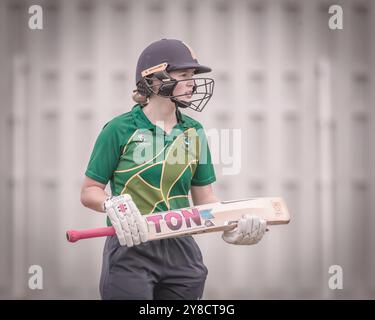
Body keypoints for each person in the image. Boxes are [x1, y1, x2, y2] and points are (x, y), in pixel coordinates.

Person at [80, 39, 267, 300]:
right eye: (184, 75)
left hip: (182, 252)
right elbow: (90, 191)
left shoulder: (194, 131)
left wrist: (231, 224)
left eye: (193, 75)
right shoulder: (119, 129)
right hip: (131, 248)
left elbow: (205, 200)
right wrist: (112, 204)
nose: (192, 82)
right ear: (154, 79)